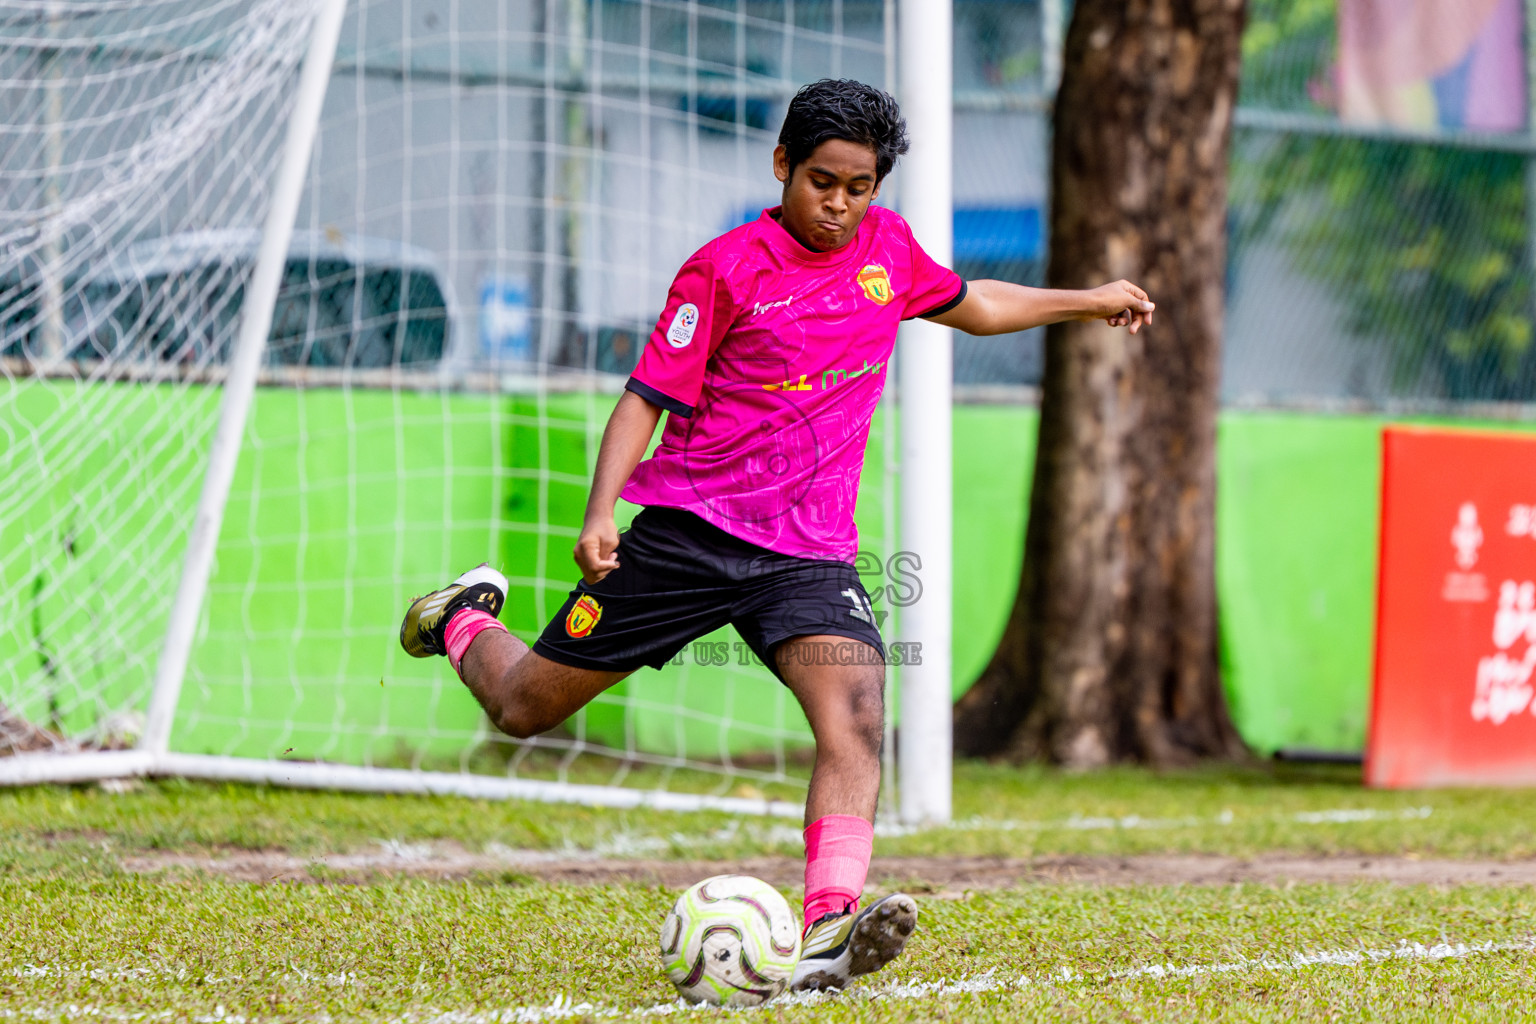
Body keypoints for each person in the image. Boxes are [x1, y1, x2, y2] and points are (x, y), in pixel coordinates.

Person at [400, 78, 1153, 992]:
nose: (839, 205)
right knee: (524, 707)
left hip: (806, 554)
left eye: (860, 186)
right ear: (782, 166)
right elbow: (645, 398)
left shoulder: (889, 251)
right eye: (822, 182)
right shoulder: (722, 270)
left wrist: (1091, 299)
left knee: (858, 714)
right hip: (686, 536)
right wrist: (602, 514)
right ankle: (461, 619)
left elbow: (977, 303)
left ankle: (831, 927)